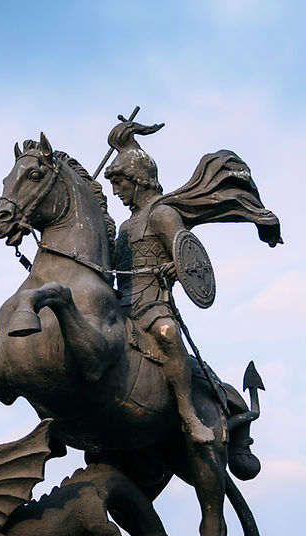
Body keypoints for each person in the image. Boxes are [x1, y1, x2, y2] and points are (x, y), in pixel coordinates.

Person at [104, 121, 216, 444]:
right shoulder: (126, 227)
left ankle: (188, 413)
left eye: (120, 183)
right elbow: (112, 268)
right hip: (121, 305)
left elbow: (191, 258)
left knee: (168, 333)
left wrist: (175, 267)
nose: (116, 191)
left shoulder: (162, 214)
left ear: (137, 180)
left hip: (153, 304)